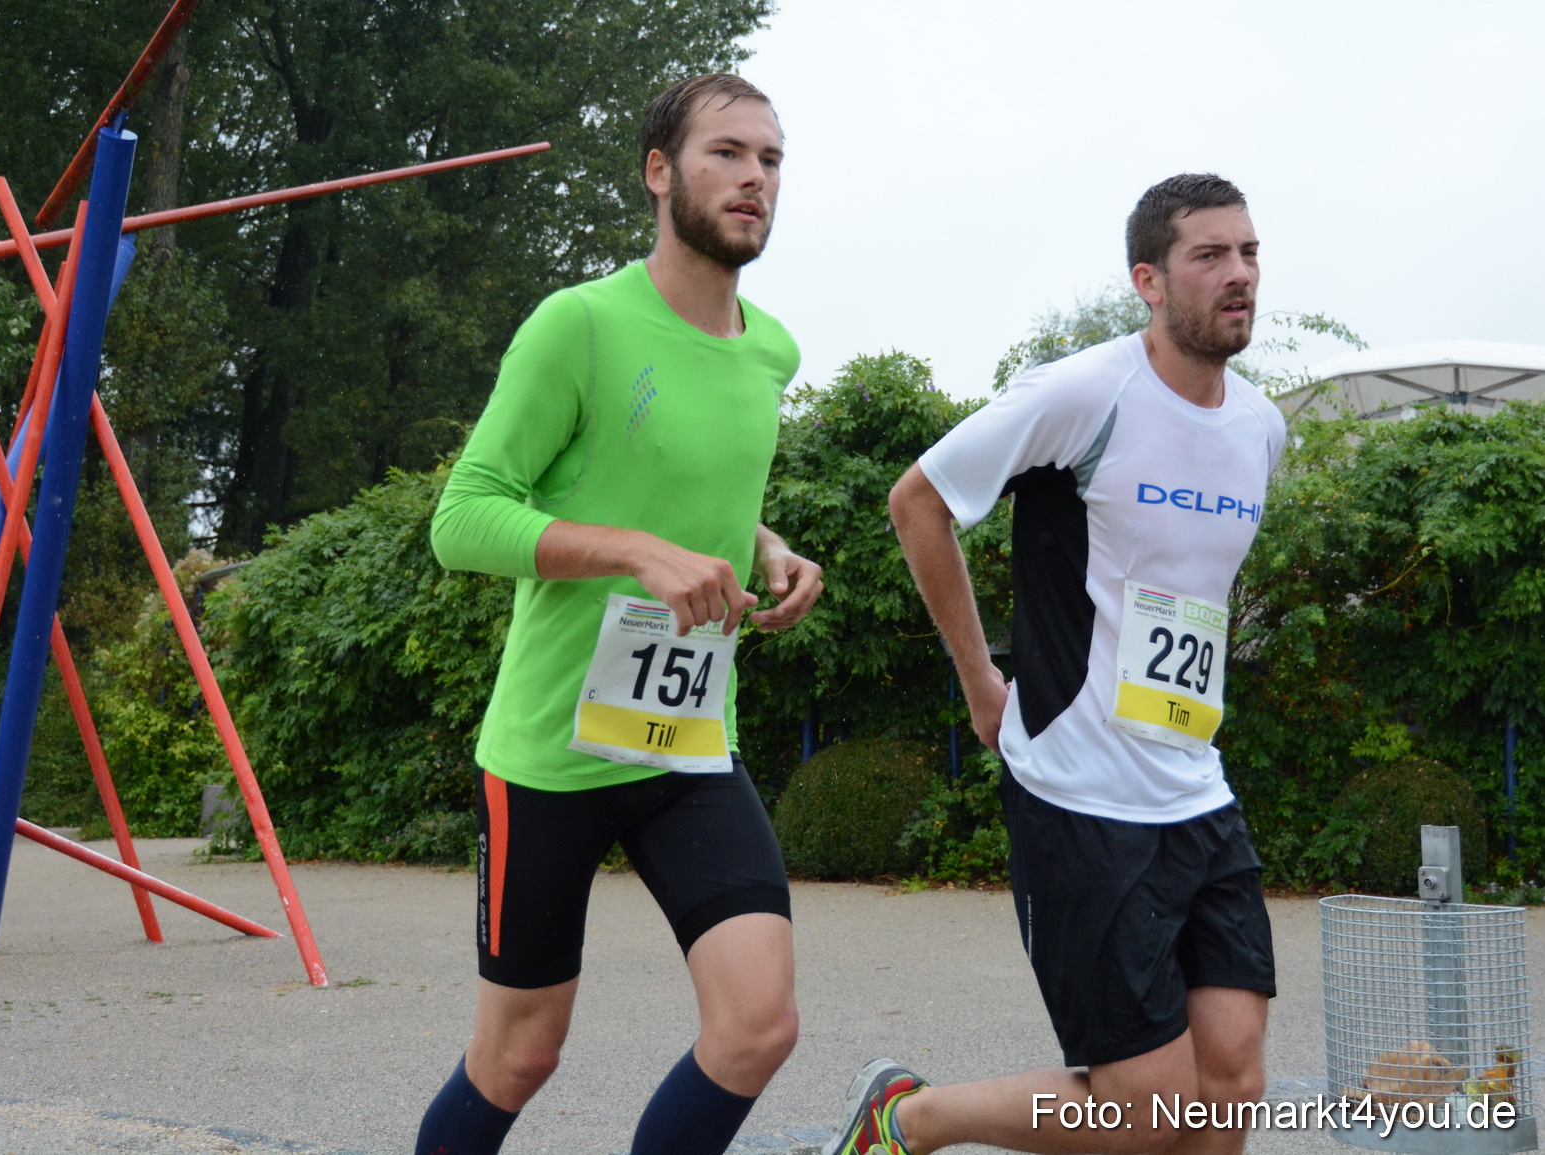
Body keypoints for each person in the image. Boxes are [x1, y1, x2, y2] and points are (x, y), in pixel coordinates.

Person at [834, 173, 1285, 1155]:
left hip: (1195, 791)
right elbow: (918, 501)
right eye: (1209, 256)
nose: (1238, 274)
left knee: (1233, 1075)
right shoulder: (1085, 394)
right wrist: (978, 680)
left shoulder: (1259, 427)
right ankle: (905, 1119)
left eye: (1248, 252)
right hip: (1080, 794)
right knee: (1140, 1110)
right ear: (1149, 282)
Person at [418, 74, 823, 1155]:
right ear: (658, 172)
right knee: (519, 1055)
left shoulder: (770, 350)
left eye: (770, 160)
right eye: (726, 154)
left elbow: (696, 495)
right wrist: (632, 552)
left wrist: (767, 549)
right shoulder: (580, 325)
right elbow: (462, 520)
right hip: (551, 752)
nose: (753, 179)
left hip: (686, 742)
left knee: (757, 1026)